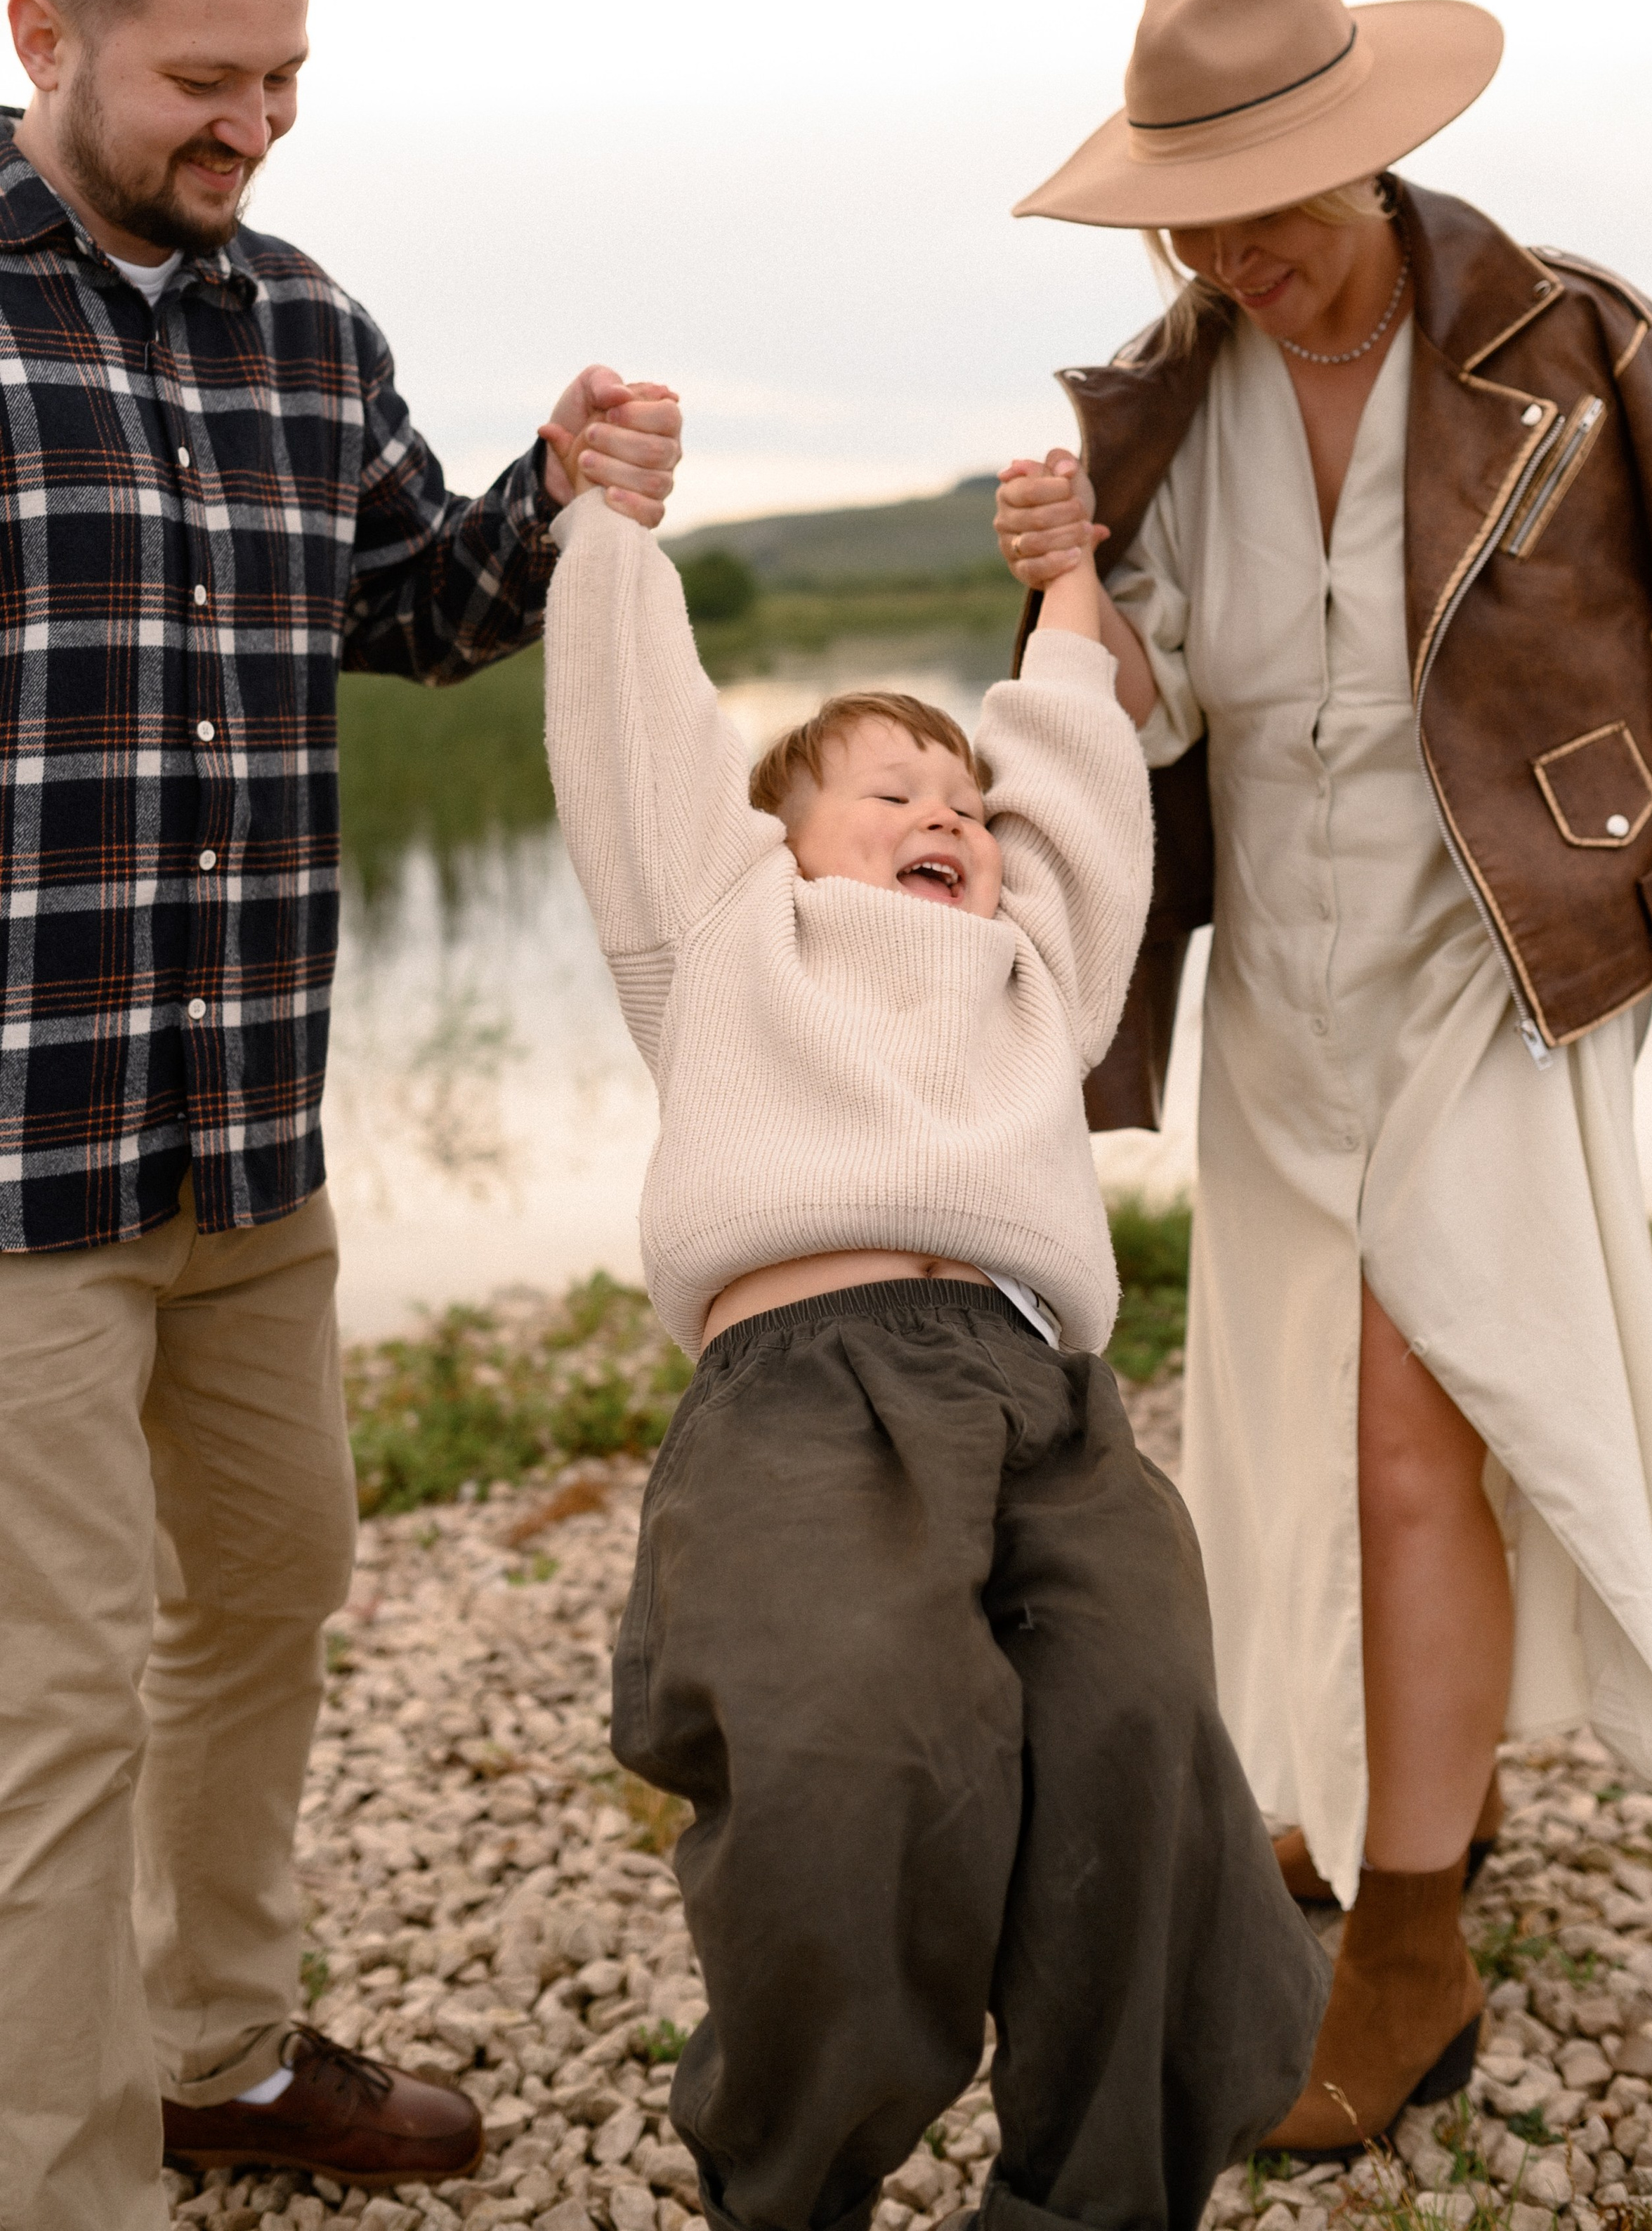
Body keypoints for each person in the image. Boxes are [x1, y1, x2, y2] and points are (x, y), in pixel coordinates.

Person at [994, 0, 1652, 2154]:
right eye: (1195, 210)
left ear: (1375, 148)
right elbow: (1145, 721)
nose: (1236, 250)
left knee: (1416, 1425)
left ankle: (1410, 1938)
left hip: (1502, 962)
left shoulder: (1581, 345)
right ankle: (1369, 1780)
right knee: (1277, 1429)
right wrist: (1070, 591)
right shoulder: (1161, 396)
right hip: (1289, 992)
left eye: (1273, 195)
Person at [0, 0, 683, 2230]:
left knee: (273, 1597)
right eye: (206, 81)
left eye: (286, 80)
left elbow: (414, 604)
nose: (255, 126)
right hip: (20, 1187)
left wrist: (562, 481)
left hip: (251, 1159)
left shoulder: (305, 324)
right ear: (42, 24)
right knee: (51, 1713)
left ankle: (215, 2052)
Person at [539, 430, 1330, 2231]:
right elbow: (636, 743)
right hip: (801, 1399)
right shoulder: (724, 940)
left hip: (1040, 1396)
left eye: (958, 797)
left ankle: (1091, 2203)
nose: (944, 814)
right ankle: (793, 2186)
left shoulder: (1032, 971)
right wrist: (610, 529)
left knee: (1141, 1750)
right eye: (887, 789)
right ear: (783, 841)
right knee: (852, 1764)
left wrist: (1066, 582)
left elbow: (1079, 775)